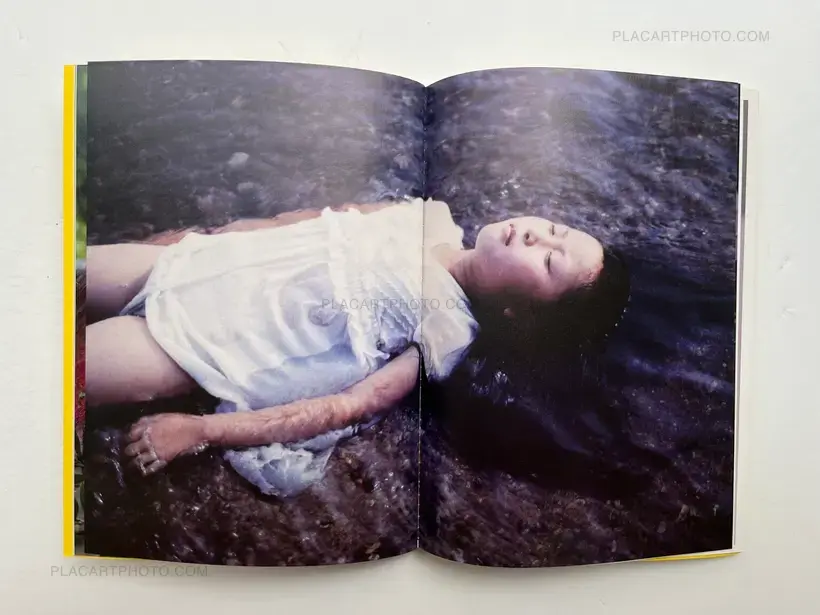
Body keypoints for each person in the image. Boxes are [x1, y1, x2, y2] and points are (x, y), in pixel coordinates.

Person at [85, 198, 629, 496]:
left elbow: (346, 406)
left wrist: (200, 430)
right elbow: (297, 222)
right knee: (58, 271)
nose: (538, 235)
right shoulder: (428, 215)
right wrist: (198, 237)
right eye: (554, 228)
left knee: (57, 371)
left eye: (550, 260)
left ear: (520, 314)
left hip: (189, 345)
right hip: (184, 266)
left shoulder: (446, 332)